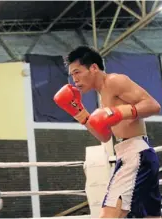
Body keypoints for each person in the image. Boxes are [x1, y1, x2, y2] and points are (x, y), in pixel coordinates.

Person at [54, 46, 161, 218]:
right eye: (72, 75)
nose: (74, 79)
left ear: (94, 68)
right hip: (133, 154)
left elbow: (153, 106)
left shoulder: (115, 81)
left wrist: (117, 113)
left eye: (77, 72)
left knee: (108, 216)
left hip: (136, 155)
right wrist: (80, 114)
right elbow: (104, 136)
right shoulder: (102, 95)